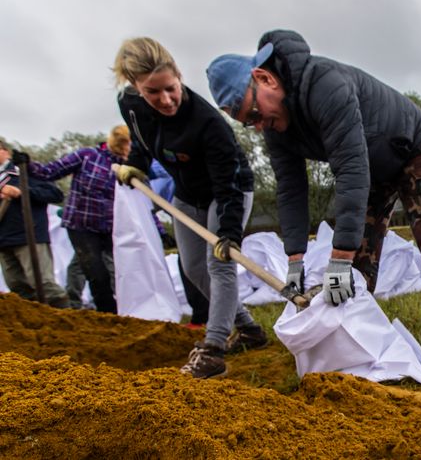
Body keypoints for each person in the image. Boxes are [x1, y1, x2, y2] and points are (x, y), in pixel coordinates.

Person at [206, 29, 421, 387]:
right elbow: (291, 189)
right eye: (247, 123)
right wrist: (294, 260)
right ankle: (358, 343)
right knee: (358, 259)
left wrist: (337, 258)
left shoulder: (324, 85)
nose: (257, 125)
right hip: (370, 167)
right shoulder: (275, 127)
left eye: (253, 113)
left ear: (264, 78)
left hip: (411, 149)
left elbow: (349, 167)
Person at [112, 37, 267, 379]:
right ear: (136, 87)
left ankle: (212, 349)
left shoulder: (207, 123)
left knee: (219, 263)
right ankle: (250, 331)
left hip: (228, 192)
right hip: (187, 195)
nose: (166, 99)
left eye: (171, 88)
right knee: (194, 267)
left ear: (179, 76)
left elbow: (226, 186)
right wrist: (135, 164)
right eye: (154, 92)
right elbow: (141, 139)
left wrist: (227, 233)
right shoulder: (130, 105)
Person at [23, 125, 132, 313]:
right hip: (82, 225)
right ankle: (108, 314)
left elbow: (139, 200)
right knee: (96, 274)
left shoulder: (129, 167)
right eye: (126, 145)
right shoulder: (88, 156)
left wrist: (160, 230)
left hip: (112, 226)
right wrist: (28, 164)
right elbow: (50, 171)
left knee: (121, 271)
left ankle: (129, 311)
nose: (128, 150)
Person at [0, 137, 69, 308]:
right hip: (4, 239)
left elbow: (55, 194)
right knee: (17, 287)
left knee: (43, 285)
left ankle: (66, 319)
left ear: (5, 152)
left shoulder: (23, 170)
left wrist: (22, 191)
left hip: (28, 236)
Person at [149, 159, 208, 328]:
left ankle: (206, 316)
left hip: (196, 205)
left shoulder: (158, 162)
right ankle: (202, 316)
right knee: (188, 263)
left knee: (197, 263)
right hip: (181, 210)